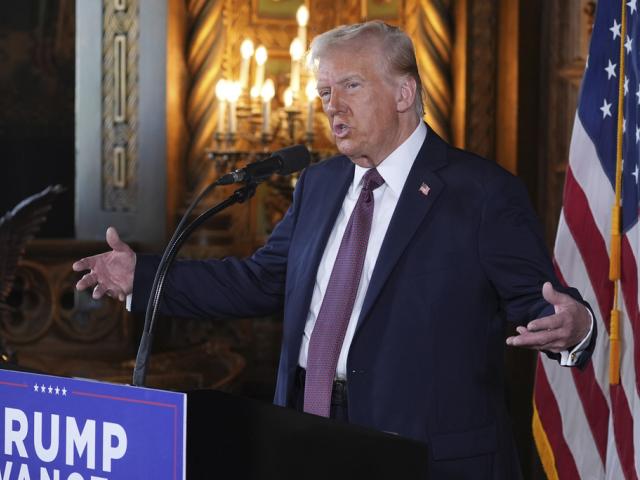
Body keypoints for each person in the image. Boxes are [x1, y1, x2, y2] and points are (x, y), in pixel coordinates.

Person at [73, 21, 594, 478]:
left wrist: (574, 326)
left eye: (350, 85)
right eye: (324, 93)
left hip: (423, 452)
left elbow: (539, 306)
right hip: (308, 432)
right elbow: (259, 282)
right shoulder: (319, 184)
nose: (333, 106)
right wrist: (143, 277)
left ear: (404, 93)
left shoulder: (481, 191)